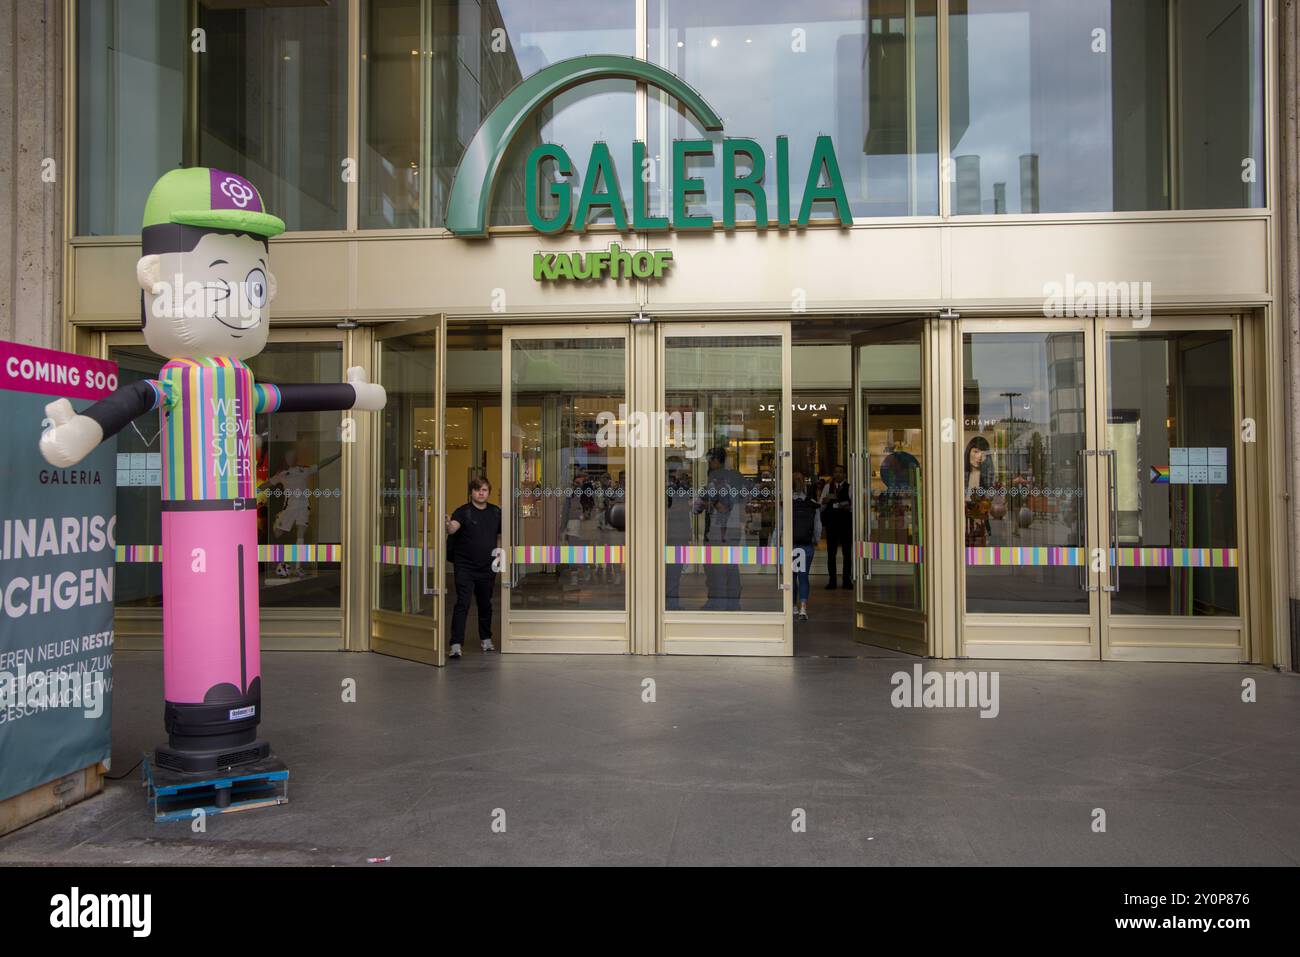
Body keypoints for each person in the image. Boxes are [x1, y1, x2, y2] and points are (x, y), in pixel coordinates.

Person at [444, 476, 501, 658]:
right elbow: (453, 528)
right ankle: (455, 644)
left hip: (487, 566)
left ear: (488, 492)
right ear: (471, 493)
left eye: (484, 490)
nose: (481, 493)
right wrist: (447, 524)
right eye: (477, 490)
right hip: (465, 566)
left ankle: (486, 639)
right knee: (463, 603)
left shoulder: (495, 512)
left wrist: (499, 552)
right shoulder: (463, 512)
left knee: (485, 604)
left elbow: (499, 535)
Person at [694, 446, 745, 610]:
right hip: (730, 529)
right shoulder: (735, 477)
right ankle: (731, 603)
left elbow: (722, 507)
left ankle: (719, 602)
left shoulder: (720, 478)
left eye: (710, 460)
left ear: (716, 460)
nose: (708, 463)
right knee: (728, 567)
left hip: (720, 531)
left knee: (716, 569)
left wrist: (708, 502)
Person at [790, 470, 821, 621]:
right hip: (806, 546)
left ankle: (792, 606)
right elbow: (818, 526)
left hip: (791, 545)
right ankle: (803, 608)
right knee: (803, 577)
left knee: (792, 576)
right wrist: (816, 539)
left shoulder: (787, 503)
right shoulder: (812, 503)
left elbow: (780, 526)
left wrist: (775, 543)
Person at [819, 464, 852, 589]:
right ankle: (832, 580)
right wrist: (824, 501)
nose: (838, 474)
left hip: (845, 524)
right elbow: (821, 506)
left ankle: (846, 580)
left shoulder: (850, 487)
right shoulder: (828, 487)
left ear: (844, 474)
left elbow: (855, 506)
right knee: (831, 553)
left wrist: (848, 507)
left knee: (847, 553)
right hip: (832, 525)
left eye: (840, 472)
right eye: (835, 472)